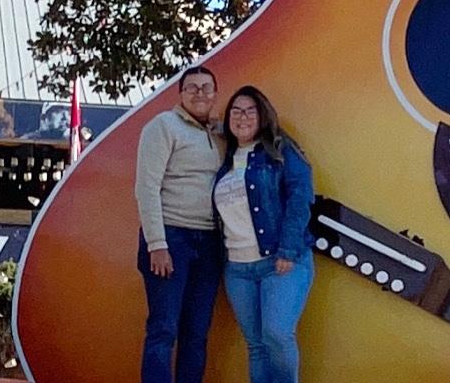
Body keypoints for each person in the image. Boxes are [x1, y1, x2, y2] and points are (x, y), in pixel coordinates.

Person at [213, 85, 315, 383]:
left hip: (280, 262)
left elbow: (300, 197)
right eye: (235, 110)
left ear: (263, 115)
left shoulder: (280, 151)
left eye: (250, 110)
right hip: (237, 269)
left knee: (277, 334)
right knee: (256, 346)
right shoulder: (226, 159)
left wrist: (287, 249)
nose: (242, 117)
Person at [135, 65, 224, 383]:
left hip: (211, 242)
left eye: (206, 88)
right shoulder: (163, 126)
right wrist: (156, 244)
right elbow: (146, 187)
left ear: (215, 94)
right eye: (192, 88)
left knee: (197, 333)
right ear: (180, 93)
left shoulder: (220, 134)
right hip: (171, 237)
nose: (200, 93)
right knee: (164, 329)